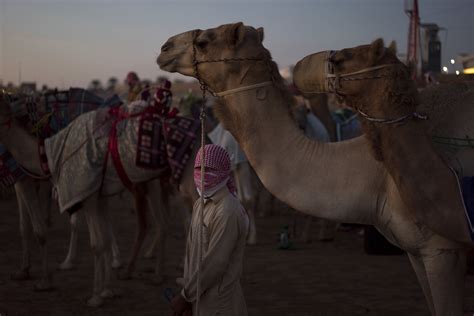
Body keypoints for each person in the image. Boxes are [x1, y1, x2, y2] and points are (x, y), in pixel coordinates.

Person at [171, 144, 249, 316]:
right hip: (198, 301)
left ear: (224, 171)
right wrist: (190, 297)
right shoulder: (200, 203)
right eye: (199, 168)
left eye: (210, 168)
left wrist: (185, 297)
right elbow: (193, 254)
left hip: (220, 306)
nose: (203, 173)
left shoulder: (228, 211)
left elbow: (216, 263)